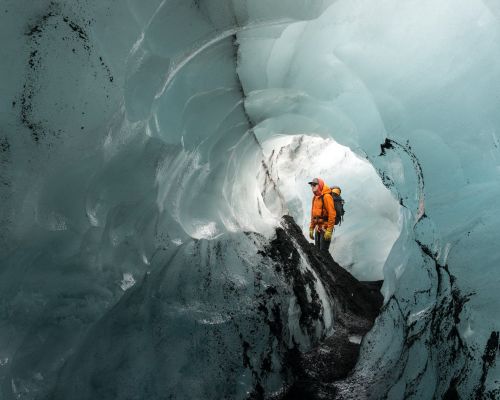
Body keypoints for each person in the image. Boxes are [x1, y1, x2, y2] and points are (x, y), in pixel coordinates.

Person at [308, 177, 336, 253]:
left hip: (325, 228)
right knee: (317, 251)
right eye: (311, 185)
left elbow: (332, 214)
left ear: (319, 185)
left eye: (314, 184)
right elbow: (313, 215)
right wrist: (311, 228)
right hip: (318, 228)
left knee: (323, 252)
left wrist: (329, 230)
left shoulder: (327, 197)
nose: (312, 186)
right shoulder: (314, 198)